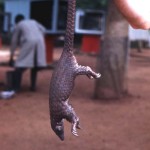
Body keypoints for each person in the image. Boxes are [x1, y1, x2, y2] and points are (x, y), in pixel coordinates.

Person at [9, 14, 47, 92]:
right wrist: (38, 37)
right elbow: (44, 30)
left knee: (19, 65)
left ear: (16, 21)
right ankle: (33, 86)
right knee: (34, 65)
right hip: (40, 42)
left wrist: (11, 57)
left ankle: (16, 87)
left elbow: (14, 41)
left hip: (29, 42)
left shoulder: (19, 25)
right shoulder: (33, 21)